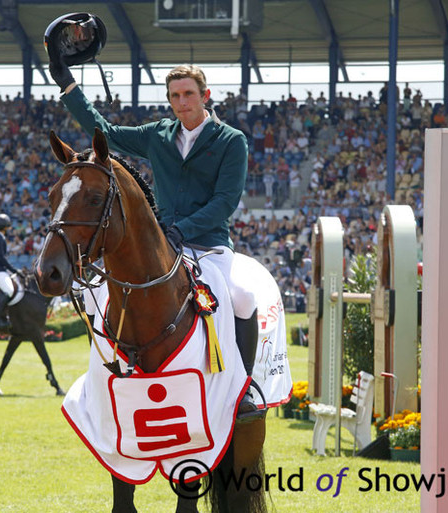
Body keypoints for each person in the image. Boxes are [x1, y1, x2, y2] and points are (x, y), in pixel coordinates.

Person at [46, 15, 263, 422]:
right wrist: (66, 83)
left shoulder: (232, 141)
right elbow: (103, 131)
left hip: (208, 242)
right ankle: (104, 385)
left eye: (188, 94)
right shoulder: (158, 135)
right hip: (163, 242)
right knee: (100, 302)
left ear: (205, 95)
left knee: (243, 297)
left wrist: (183, 229)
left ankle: (244, 387)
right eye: (175, 96)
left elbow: (225, 201)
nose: (182, 102)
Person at [0, 213, 21, 331]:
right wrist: (14, 270)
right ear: (5, 227)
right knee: (10, 291)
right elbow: (1, 258)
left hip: (0, 270)